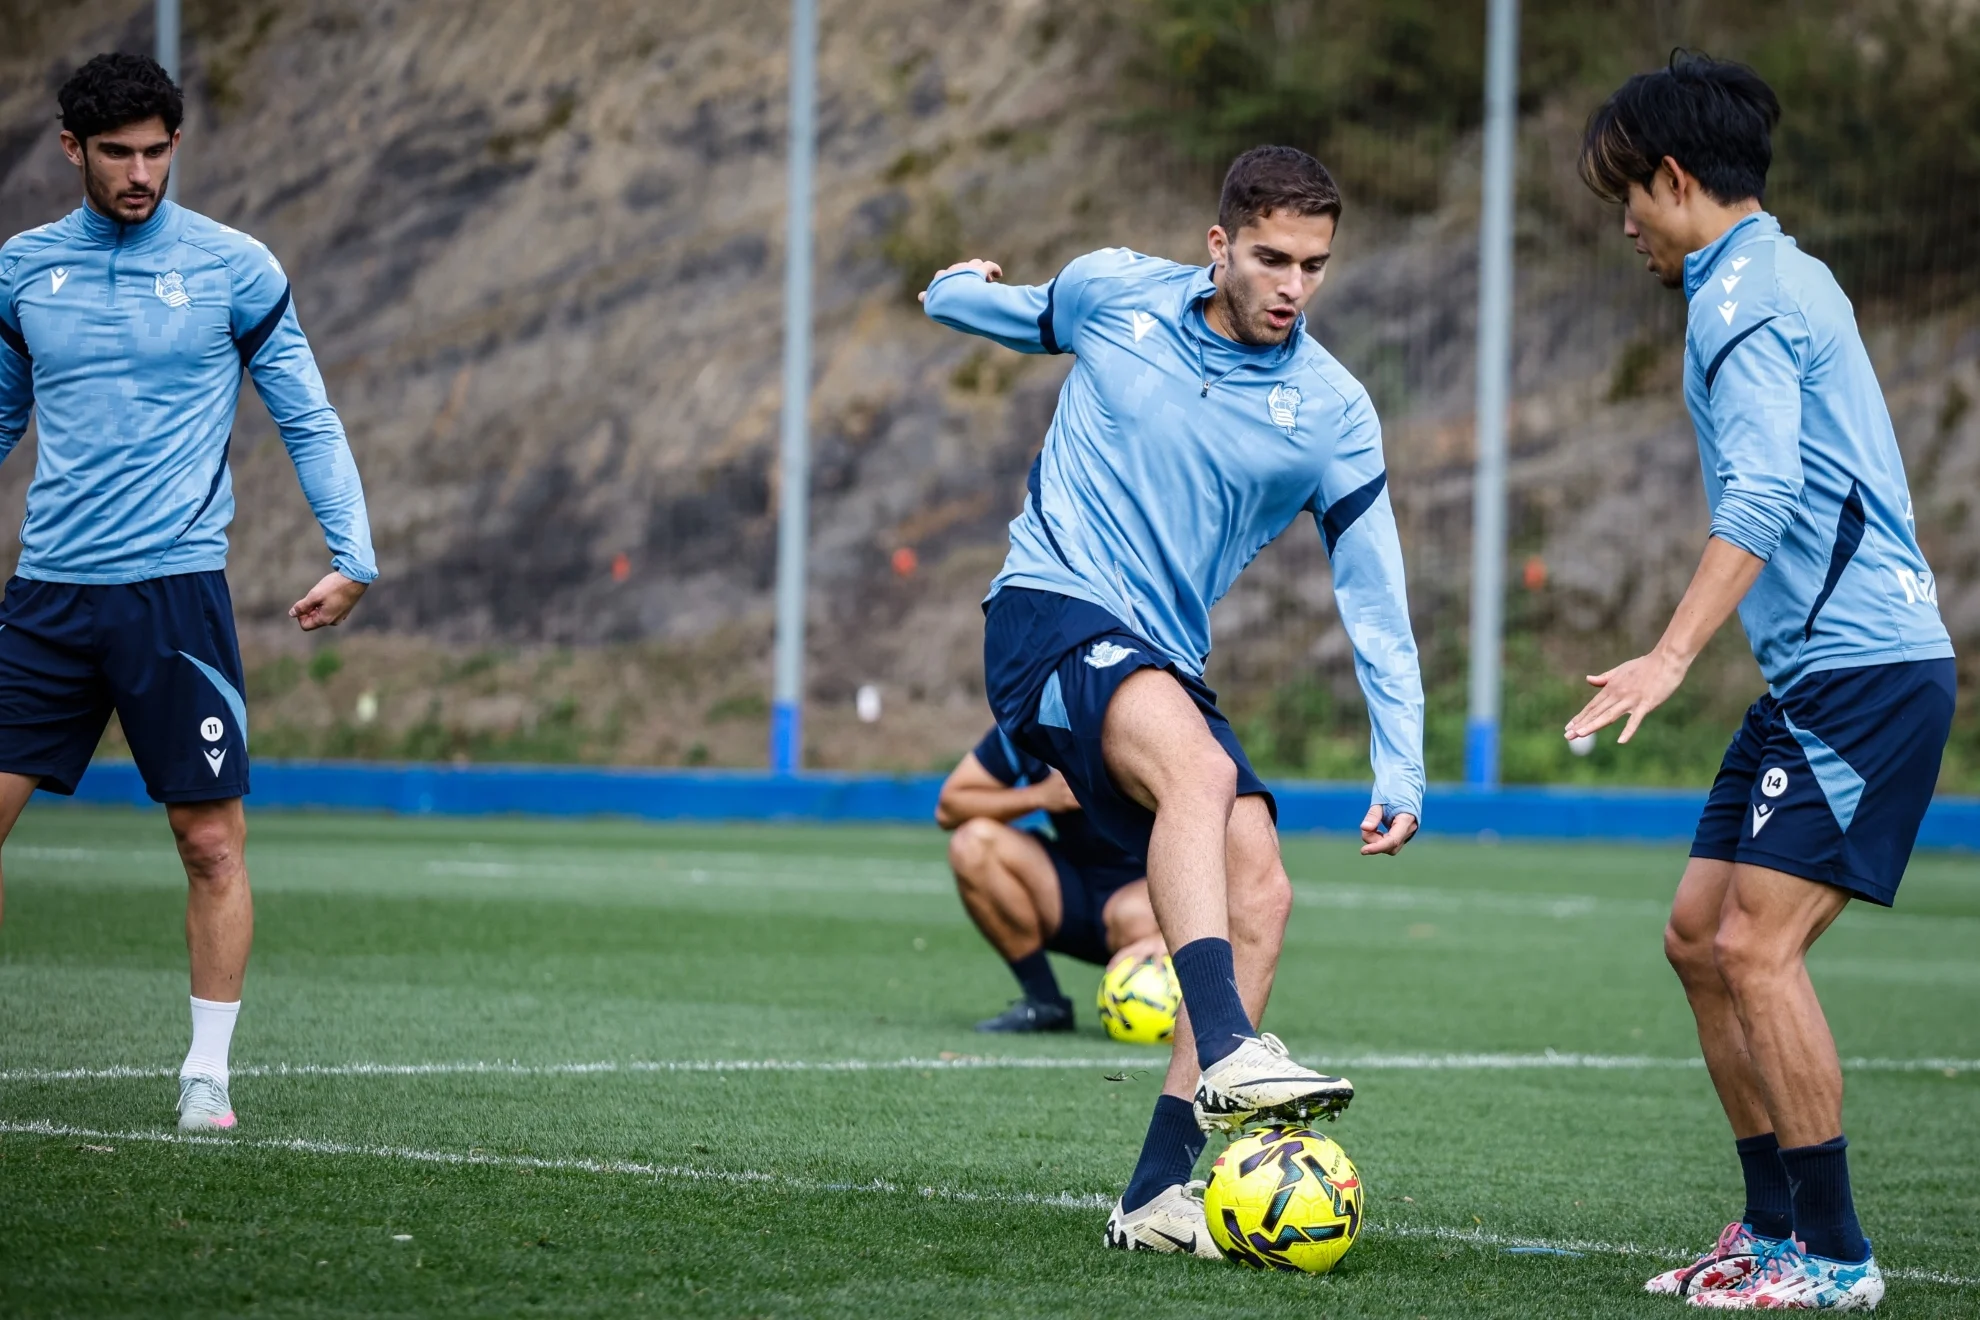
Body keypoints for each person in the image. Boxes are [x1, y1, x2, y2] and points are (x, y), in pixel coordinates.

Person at [921, 145, 1425, 1258]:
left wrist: (1404, 759)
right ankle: (1237, 1051)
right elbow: (1018, 314)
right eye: (1270, 258)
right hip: (1047, 609)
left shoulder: (1332, 410)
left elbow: (1375, 594)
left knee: (1264, 890)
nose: (1293, 285)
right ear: (1219, 245)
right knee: (1198, 773)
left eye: (1315, 264)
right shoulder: (1118, 291)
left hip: (1160, 654)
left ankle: (1155, 1193)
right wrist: (952, 288)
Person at [1572, 53, 1954, 1312]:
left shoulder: (1741, 298)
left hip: (1863, 672)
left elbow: (1767, 490)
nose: (1623, 221)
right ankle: (1771, 1229)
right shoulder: (1783, 269)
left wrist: (1671, 654)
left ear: (1676, 178)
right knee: (1698, 938)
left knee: (1755, 944)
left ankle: (1835, 1257)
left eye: (1628, 193)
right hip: (1820, 678)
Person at [0, 54, 378, 1133]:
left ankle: (206, 1071)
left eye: (157, 151)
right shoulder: (22, 273)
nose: (139, 172)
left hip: (175, 598)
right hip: (47, 600)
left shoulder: (233, 268)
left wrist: (353, 553)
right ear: (72, 151)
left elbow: (305, 414)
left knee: (211, 843)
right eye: (116, 152)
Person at [937, 725, 1164, 1033]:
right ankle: (1044, 1002)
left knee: (1136, 917)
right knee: (972, 845)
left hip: (1145, 891)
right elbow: (949, 808)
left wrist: (1169, 931)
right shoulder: (1028, 720)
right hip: (1070, 885)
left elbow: (1222, 824)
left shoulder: (1145, 721)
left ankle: (1187, 1002)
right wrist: (1039, 796)